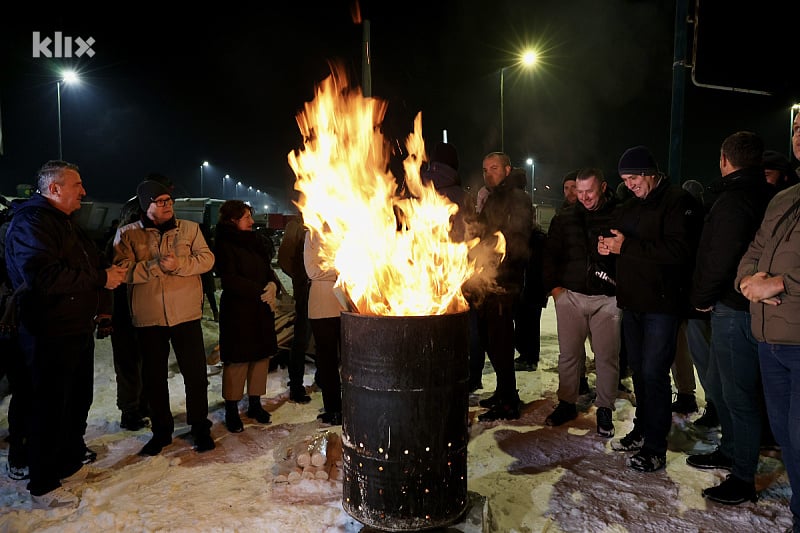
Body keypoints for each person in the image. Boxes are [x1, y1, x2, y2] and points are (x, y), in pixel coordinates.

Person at [5, 160, 127, 508]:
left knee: (75, 399)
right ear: (54, 188)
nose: (84, 191)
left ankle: (67, 459)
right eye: (77, 184)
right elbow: (43, 277)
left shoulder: (65, 222)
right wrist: (101, 279)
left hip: (74, 327)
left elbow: (83, 266)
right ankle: (42, 483)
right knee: (47, 406)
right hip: (48, 331)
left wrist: (104, 274)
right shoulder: (33, 223)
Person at [600, 146, 702, 472]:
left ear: (649, 173)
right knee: (640, 375)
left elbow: (679, 250)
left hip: (662, 305)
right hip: (633, 303)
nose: (629, 184)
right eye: (625, 180)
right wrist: (605, 246)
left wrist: (626, 246)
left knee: (655, 374)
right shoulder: (631, 206)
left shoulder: (677, 202)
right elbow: (613, 234)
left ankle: (656, 447)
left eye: (633, 178)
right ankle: (641, 430)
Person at [688, 131, 774, 504]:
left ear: (725, 160)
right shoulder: (765, 195)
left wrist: (703, 297)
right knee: (726, 387)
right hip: (742, 304)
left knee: (737, 394)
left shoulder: (734, 200)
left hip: (733, 307)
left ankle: (743, 476)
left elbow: (720, 255)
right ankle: (731, 450)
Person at [114, 179, 216, 456]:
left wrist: (180, 264)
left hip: (186, 315)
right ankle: (161, 431)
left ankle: (200, 427)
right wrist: (156, 267)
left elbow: (207, 260)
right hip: (149, 319)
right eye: (161, 201)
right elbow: (123, 272)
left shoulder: (190, 229)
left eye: (169, 201)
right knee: (154, 378)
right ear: (147, 205)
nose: (168, 205)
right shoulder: (127, 235)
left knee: (195, 376)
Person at [735, 111, 800, 530]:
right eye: (797, 130)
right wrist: (747, 280)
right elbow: (754, 249)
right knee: (786, 437)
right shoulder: (783, 197)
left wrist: (779, 283)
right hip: (769, 341)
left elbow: (777, 273)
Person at [542, 167, 621, 437]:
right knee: (569, 356)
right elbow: (550, 254)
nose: (584, 197)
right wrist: (556, 291)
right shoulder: (565, 217)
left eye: (589, 191)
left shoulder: (619, 214)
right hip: (571, 298)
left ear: (602, 187)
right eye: (580, 191)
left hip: (607, 300)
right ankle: (567, 402)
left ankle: (605, 408)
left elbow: (631, 256)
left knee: (606, 357)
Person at [469, 152, 533, 421]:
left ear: (507, 169)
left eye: (494, 168)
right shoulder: (493, 197)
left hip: (505, 283)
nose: (488, 173)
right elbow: (481, 231)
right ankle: (503, 391)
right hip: (488, 281)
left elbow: (516, 239)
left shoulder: (517, 198)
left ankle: (509, 400)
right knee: (490, 341)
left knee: (501, 342)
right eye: (484, 169)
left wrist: (490, 252)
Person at [213, 200, 279, 432]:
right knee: (238, 361)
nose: (252, 221)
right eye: (246, 217)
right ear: (232, 220)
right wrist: (260, 291)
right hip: (239, 311)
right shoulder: (224, 243)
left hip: (260, 310)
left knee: (260, 358)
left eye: (251, 216)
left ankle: (255, 403)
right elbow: (229, 279)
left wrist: (273, 285)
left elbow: (268, 270)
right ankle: (231, 409)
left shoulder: (256, 243)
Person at [106, 198, 150, 431]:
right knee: (128, 365)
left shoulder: (147, 239)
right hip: (123, 313)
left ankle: (142, 405)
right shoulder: (117, 241)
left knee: (143, 363)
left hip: (144, 311)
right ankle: (130, 410)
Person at [304, 224, 346, 425]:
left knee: (350, 361)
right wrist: (338, 272)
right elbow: (312, 271)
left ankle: (351, 405)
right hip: (322, 308)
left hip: (347, 306)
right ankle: (333, 409)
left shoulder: (345, 231)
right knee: (327, 362)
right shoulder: (312, 236)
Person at [277, 211, 312, 404]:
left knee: (328, 339)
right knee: (301, 339)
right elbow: (284, 260)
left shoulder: (332, 217)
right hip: (306, 292)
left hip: (329, 292)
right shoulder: (297, 226)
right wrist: (301, 278)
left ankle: (323, 378)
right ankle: (296, 385)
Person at [199, 223, 219, 322]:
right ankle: (215, 313)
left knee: (201, 294)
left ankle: (200, 313)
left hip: (201, 270)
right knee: (209, 294)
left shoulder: (200, 244)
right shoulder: (210, 243)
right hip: (208, 270)